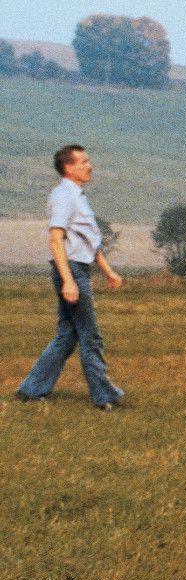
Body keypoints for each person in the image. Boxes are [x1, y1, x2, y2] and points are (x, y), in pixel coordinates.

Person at [16, 144, 127, 409]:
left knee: (67, 335)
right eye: (83, 161)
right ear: (69, 167)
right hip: (72, 270)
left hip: (78, 267)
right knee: (91, 336)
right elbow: (56, 240)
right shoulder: (63, 195)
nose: (89, 165)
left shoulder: (78, 195)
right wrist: (68, 280)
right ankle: (104, 396)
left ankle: (31, 390)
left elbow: (88, 241)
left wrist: (108, 271)